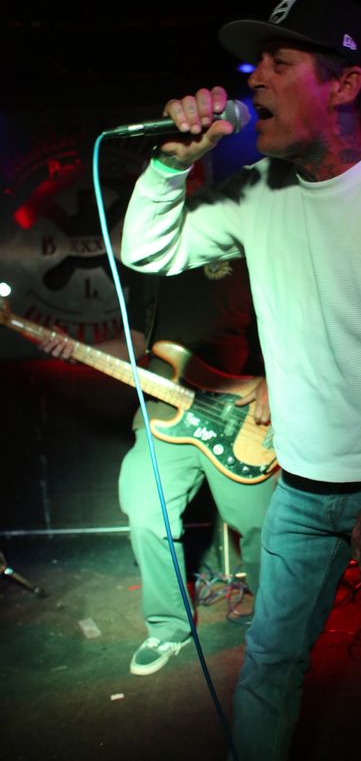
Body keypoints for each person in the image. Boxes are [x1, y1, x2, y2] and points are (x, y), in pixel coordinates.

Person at [120, 0, 361, 756]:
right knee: (267, 668)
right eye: (255, 62)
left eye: (280, 61)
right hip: (298, 490)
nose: (254, 77)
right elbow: (147, 251)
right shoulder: (258, 191)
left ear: (345, 85)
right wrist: (169, 167)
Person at [40, 202, 276, 678]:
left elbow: (284, 322)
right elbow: (137, 342)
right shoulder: (148, 267)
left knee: (261, 524)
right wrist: (76, 349)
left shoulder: (239, 248)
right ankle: (169, 627)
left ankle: (277, 625)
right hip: (166, 410)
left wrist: (274, 380)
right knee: (144, 506)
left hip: (237, 411)